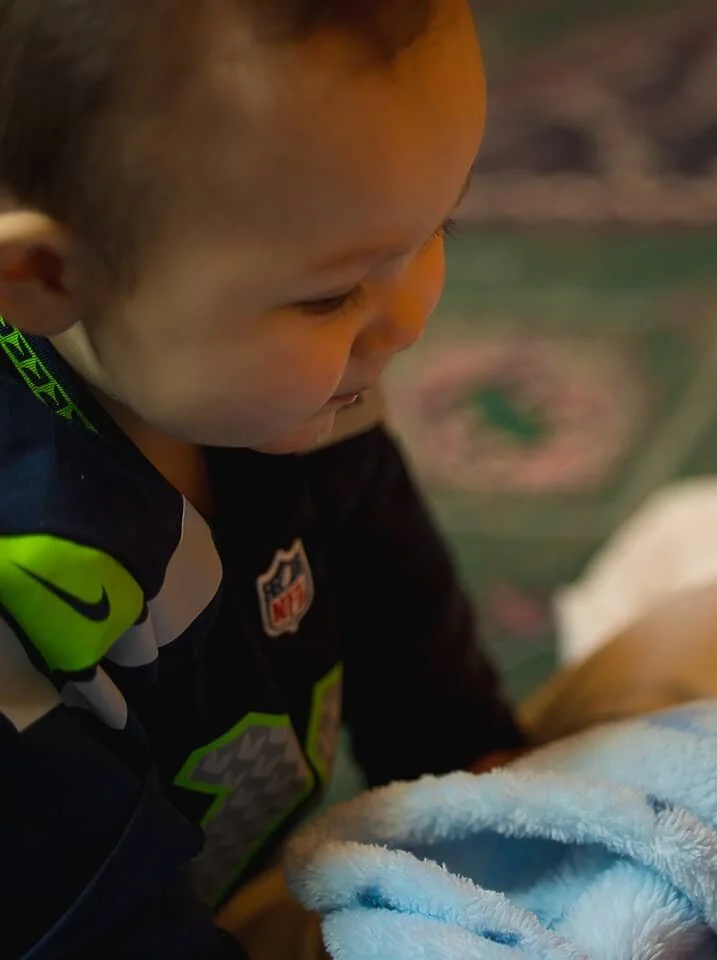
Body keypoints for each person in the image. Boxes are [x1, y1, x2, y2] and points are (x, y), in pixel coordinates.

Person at [0, 1, 525, 956]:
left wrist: (480, 770)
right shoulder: (22, 582)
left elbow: (394, 599)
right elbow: (93, 925)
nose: (407, 316)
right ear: (42, 275)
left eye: (438, 223)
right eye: (332, 291)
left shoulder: (288, 385)